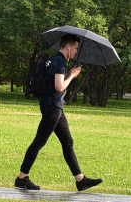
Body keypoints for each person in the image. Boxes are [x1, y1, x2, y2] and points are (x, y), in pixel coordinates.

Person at [15, 33, 102, 192]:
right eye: (75, 48)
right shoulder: (60, 62)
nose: (76, 51)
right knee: (39, 141)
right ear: (68, 46)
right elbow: (59, 87)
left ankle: (80, 179)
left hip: (54, 107)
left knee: (67, 141)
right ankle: (22, 177)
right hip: (52, 108)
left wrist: (69, 74)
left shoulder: (52, 60)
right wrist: (73, 76)